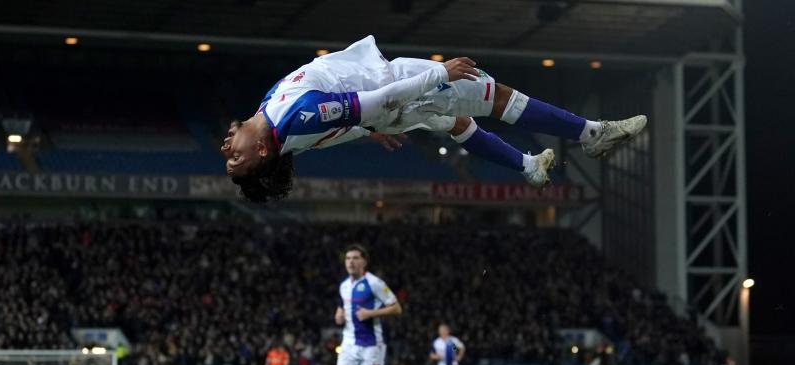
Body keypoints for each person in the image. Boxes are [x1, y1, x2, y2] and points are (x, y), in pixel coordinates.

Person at [221, 35, 647, 202]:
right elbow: (381, 99)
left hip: (385, 109)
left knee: (457, 123)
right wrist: (439, 73)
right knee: (492, 95)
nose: (227, 149)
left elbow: (319, 135)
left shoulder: (268, 117)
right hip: (395, 84)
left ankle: (527, 165)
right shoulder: (297, 116)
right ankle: (591, 133)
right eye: (236, 160)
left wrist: (366, 131)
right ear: (260, 151)